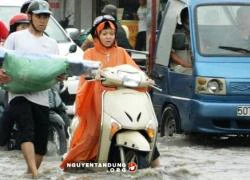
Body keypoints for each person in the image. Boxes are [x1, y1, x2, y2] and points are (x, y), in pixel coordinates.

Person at [60, 15, 160, 170]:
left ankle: (159, 170)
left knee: (143, 128)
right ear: (96, 35)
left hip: (121, 102)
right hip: (97, 102)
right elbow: (85, 74)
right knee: (93, 133)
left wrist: (146, 79)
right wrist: (93, 74)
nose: (108, 37)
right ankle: (82, 162)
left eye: (111, 34)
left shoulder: (121, 52)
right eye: (104, 34)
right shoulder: (89, 54)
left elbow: (134, 69)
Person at [3, 0, 60, 177]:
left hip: (42, 96)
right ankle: (35, 174)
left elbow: (55, 69)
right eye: (39, 16)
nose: (43, 20)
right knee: (26, 130)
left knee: (41, 144)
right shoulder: (15, 38)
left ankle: (29, 173)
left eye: (46, 17)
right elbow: (4, 62)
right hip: (18, 94)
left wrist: (59, 76)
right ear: (30, 17)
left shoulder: (51, 44)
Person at [170, 7, 192, 71]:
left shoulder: (196, 34)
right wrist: (187, 65)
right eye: (187, 23)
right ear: (182, 21)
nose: (189, 26)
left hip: (193, 68)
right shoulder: (176, 33)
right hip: (179, 68)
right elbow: (172, 54)